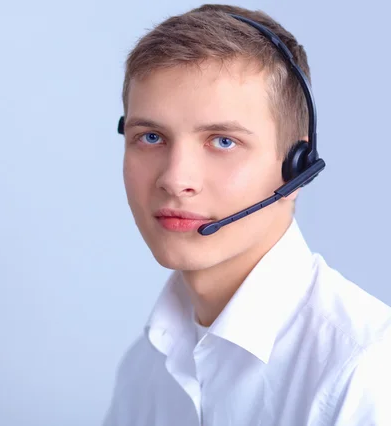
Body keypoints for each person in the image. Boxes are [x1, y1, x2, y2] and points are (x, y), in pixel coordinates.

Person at [102, 4, 391, 425]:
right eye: (151, 137)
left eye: (222, 141)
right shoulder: (145, 365)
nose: (175, 179)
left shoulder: (364, 372)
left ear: (297, 166)